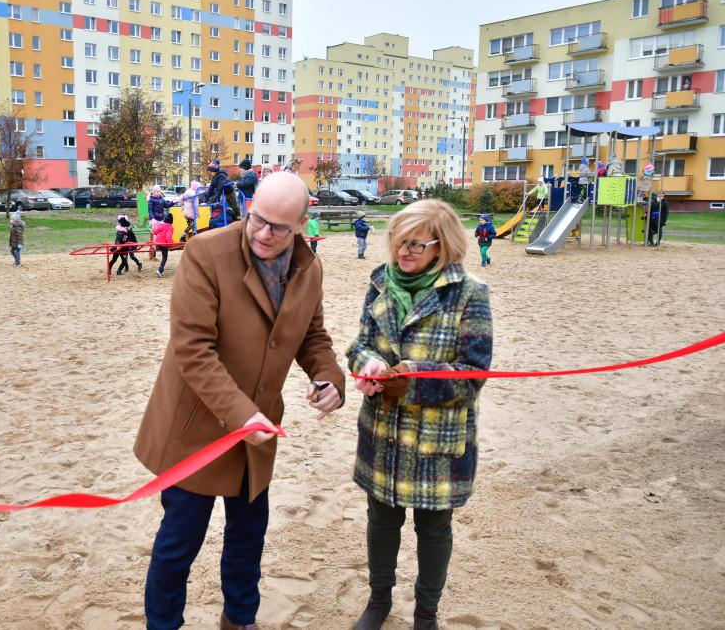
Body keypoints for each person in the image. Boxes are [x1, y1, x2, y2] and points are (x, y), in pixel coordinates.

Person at [135, 171, 345, 630]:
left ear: (302, 226)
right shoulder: (206, 253)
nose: (263, 234)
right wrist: (242, 414)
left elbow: (312, 336)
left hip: (257, 431)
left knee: (248, 540)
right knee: (178, 546)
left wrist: (329, 378)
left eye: (279, 228)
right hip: (196, 431)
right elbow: (193, 349)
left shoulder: (309, 267)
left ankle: (239, 620)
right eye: (257, 220)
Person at [346, 199, 493, 630]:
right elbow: (359, 345)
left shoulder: (470, 293)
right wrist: (368, 365)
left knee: (433, 529)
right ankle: (379, 601)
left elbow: (474, 374)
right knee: (381, 520)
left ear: (442, 246)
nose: (402, 252)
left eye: (415, 244)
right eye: (396, 240)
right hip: (383, 430)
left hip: (437, 438)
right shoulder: (378, 283)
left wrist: (409, 379)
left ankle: (426, 612)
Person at [153, 211, 175, 278]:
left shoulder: (160, 226)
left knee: (161, 250)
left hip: (157, 242)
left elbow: (155, 232)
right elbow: (168, 237)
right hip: (163, 244)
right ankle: (160, 270)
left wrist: (153, 227)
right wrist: (172, 244)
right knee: (164, 258)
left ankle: (155, 249)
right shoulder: (170, 227)